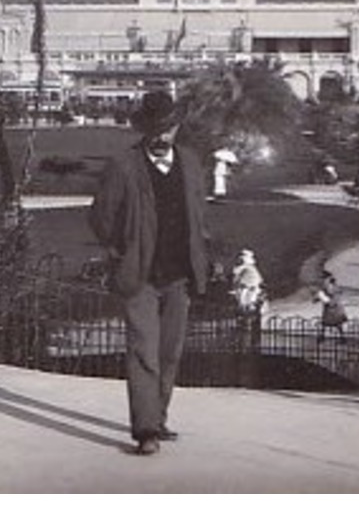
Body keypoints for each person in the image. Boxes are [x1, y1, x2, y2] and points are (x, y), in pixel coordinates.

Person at [89, 90, 210, 456]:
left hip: (180, 275)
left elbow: (199, 215)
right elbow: (100, 219)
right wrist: (122, 251)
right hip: (139, 275)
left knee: (170, 351)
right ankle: (145, 430)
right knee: (144, 351)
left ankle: (157, 416)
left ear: (177, 127)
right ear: (144, 129)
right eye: (155, 129)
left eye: (168, 128)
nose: (162, 137)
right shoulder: (124, 166)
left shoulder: (190, 163)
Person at [230, 248, 268, 316]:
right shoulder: (251, 267)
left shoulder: (247, 267)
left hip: (249, 287)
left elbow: (235, 271)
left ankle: (246, 310)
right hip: (250, 287)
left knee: (245, 299)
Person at [314, 269, 348, 341]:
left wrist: (320, 297)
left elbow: (329, 292)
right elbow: (339, 291)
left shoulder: (327, 283)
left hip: (331, 305)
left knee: (329, 321)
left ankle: (324, 336)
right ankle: (341, 337)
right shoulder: (334, 283)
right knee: (336, 322)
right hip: (336, 304)